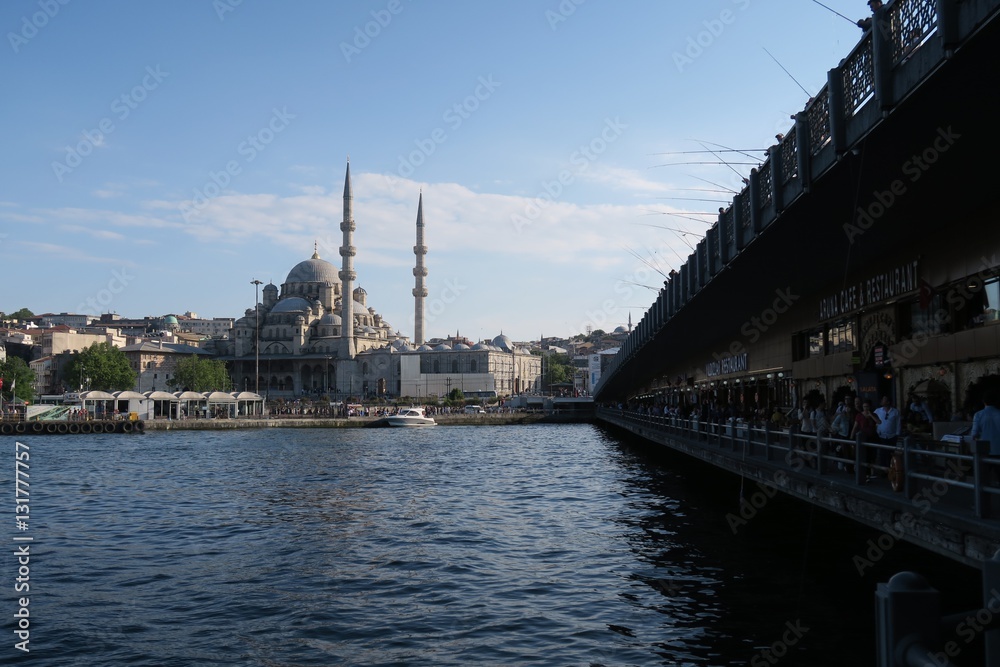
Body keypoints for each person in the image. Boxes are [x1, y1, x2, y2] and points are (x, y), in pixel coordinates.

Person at [851, 399, 882, 481]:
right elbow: (855, 427)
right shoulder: (859, 415)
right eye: (864, 407)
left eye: (867, 406)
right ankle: (867, 473)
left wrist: (871, 415)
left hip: (873, 437)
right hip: (864, 437)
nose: (865, 408)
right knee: (865, 455)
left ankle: (871, 472)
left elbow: (879, 422)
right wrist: (851, 438)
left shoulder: (874, 414)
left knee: (873, 455)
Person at [875, 396, 901, 471]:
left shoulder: (895, 412)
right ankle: (882, 470)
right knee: (882, 454)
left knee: (891, 453)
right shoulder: (877, 411)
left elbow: (898, 423)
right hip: (881, 435)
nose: (882, 401)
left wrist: (897, 434)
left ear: (888, 402)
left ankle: (890, 469)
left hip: (892, 436)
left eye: (884, 400)